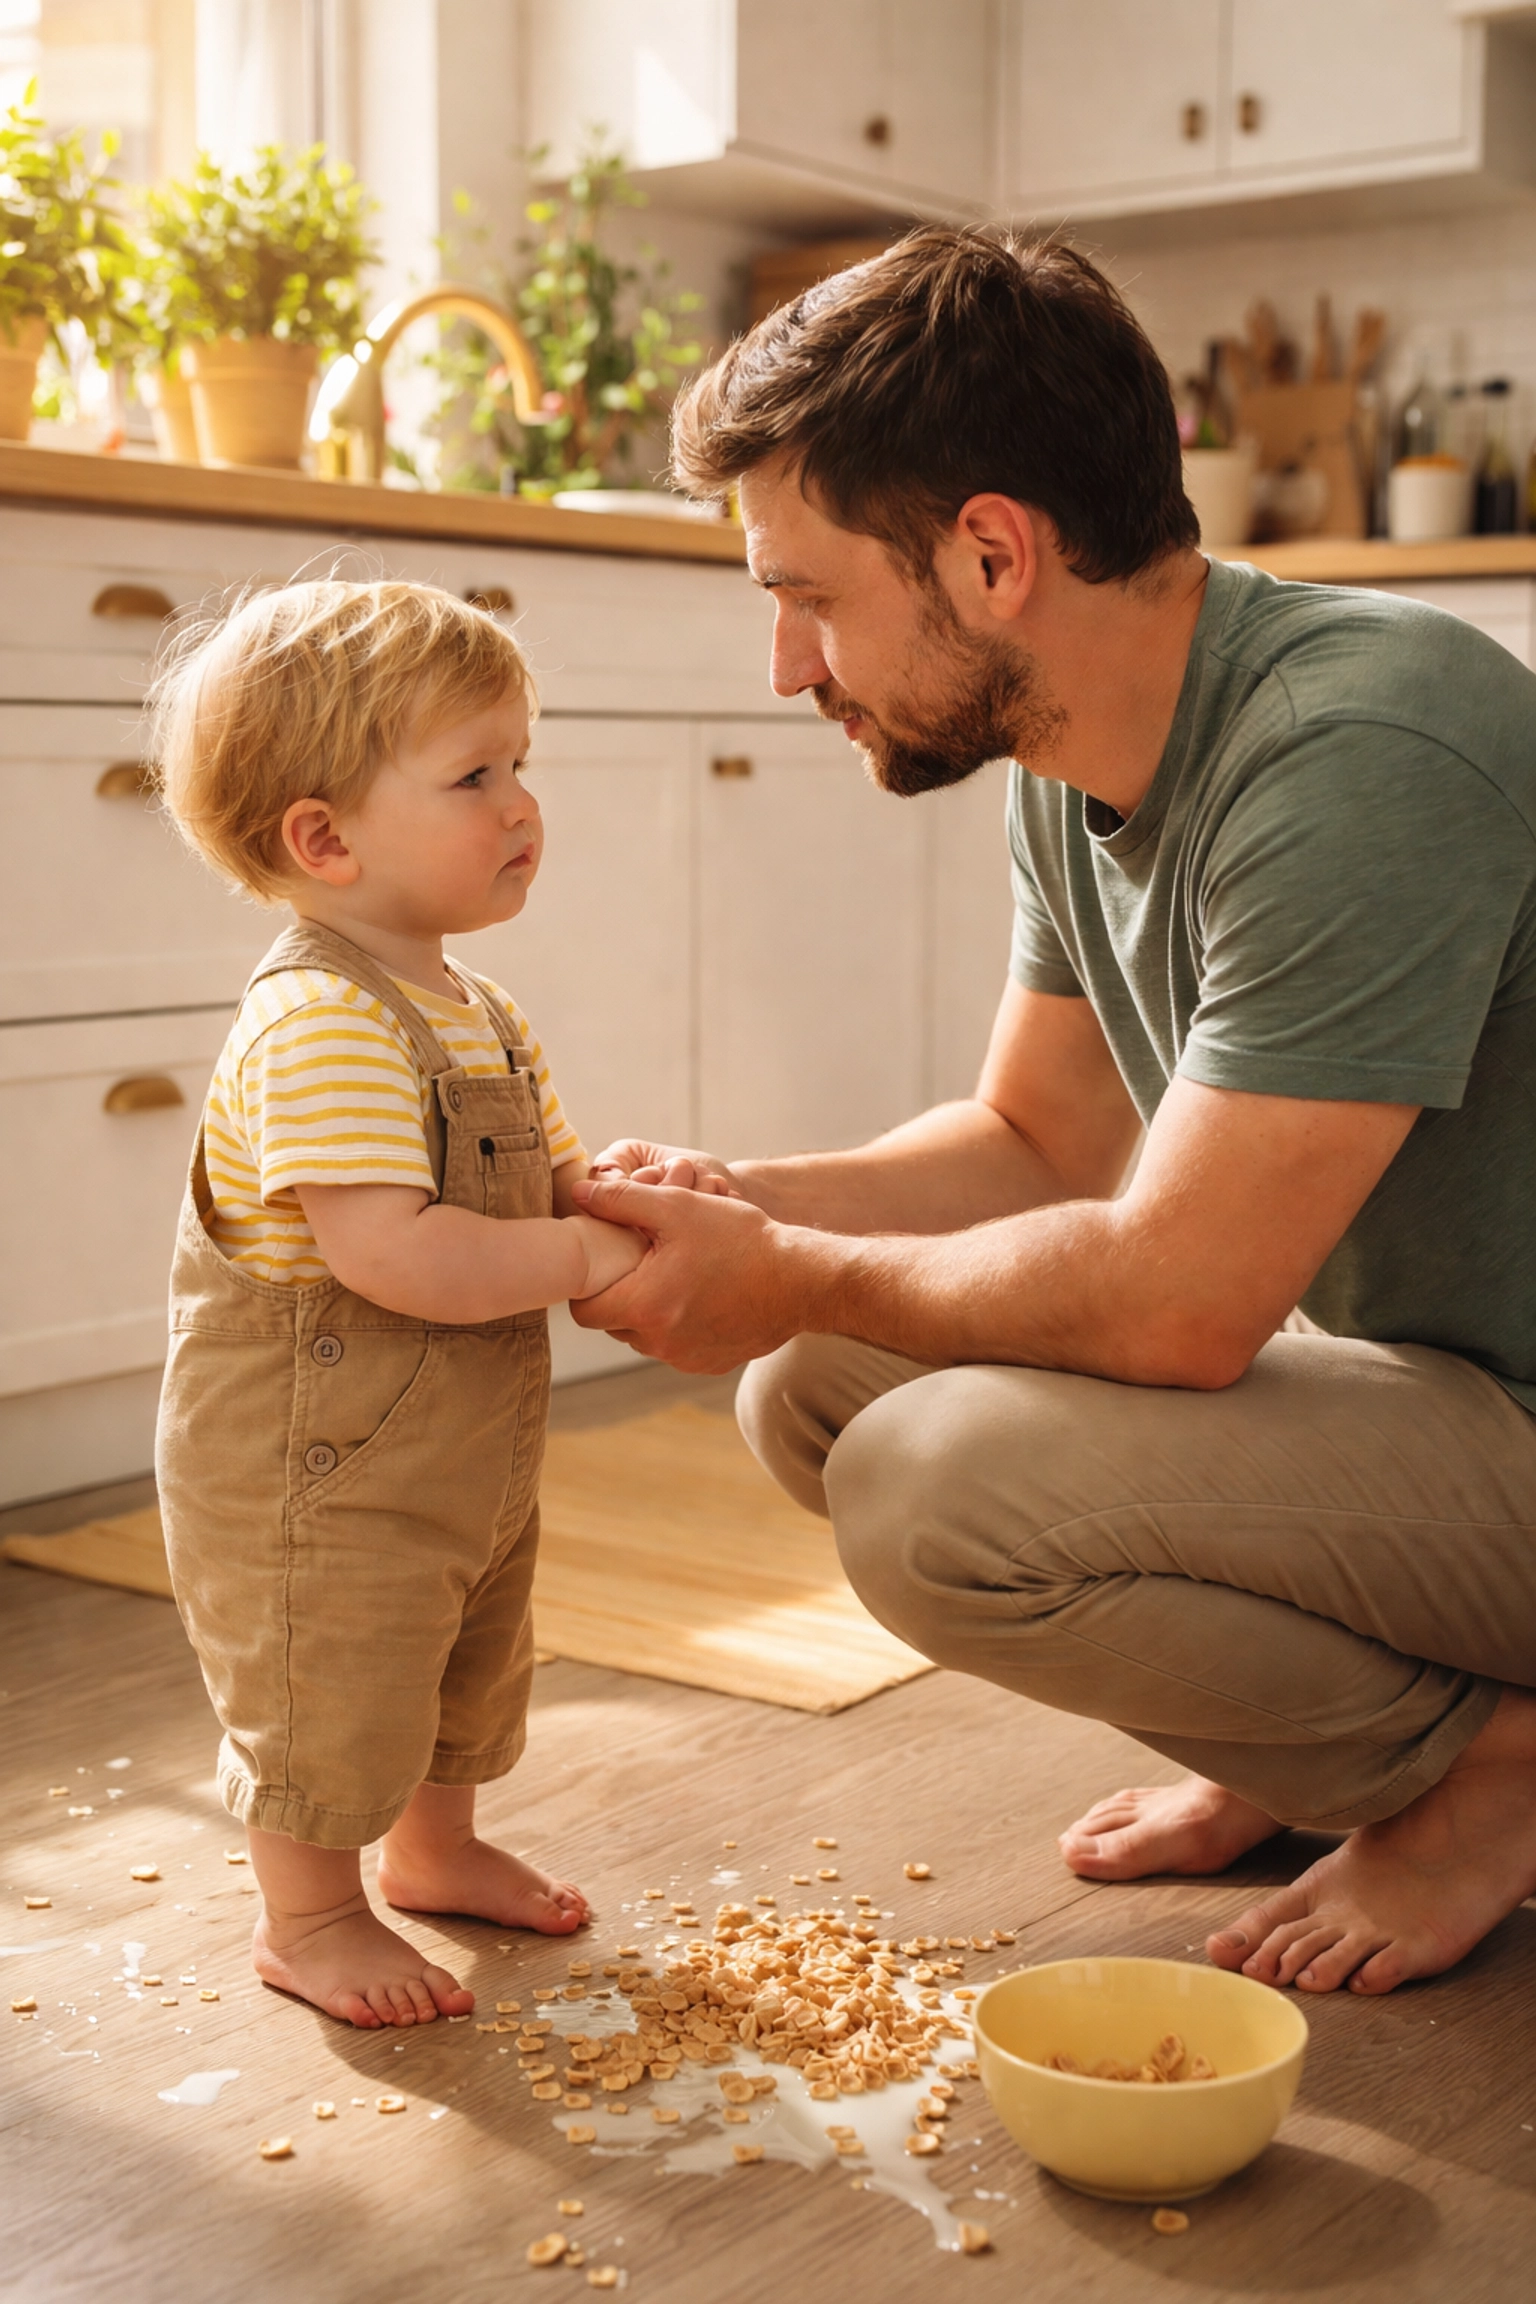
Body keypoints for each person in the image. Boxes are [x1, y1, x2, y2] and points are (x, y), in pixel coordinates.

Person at [570, 228, 1536, 1999]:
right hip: (1458, 1404)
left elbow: (1178, 1304)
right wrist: (720, 1201)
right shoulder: (1076, 752)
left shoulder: (1364, 743)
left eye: (810, 594)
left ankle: (1494, 1779)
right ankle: (1315, 1747)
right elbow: (1037, 1146)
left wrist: (784, 1263)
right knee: (822, 1387)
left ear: (993, 554)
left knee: (938, 1486)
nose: (790, 666)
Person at [152, 581, 645, 2028]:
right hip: (316, 1470)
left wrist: (626, 1206)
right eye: (476, 774)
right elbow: (399, 1256)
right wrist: (582, 1262)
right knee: (333, 1670)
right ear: (324, 839)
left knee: (466, 1653)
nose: (523, 804)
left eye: (522, 763)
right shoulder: (317, 1024)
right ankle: (307, 1915)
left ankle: (437, 1848)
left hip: (460, 1449)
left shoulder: (477, 1008)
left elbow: (548, 1184)